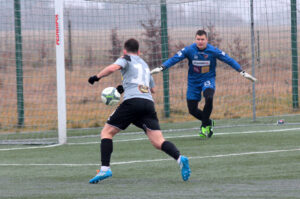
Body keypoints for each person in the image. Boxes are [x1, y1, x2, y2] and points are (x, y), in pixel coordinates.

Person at [88, 38, 191, 183]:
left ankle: (105, 169)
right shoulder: (144, 64)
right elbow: (153, 89)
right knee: (158, 141)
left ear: (125, 50)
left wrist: (96, 77)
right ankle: (180, 158)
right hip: (148, 103)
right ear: (139, 51)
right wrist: (126, 86)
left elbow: (113, 68)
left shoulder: (126, 58)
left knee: (106, 132)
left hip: (132, 102)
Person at [151, 30, 257, 138]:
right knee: (192, 110)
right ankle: (208, 122)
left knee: (209, 97)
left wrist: (241, 71)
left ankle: (204, 126)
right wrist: (162, 67)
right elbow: (174, 59)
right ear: (195, 39)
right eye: (198, 39)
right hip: (193, 82)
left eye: (202, 39)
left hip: (208, 79)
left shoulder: (213, 51)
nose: (200, 42)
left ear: (207, 40)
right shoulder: (189, 50)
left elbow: (228, 60)